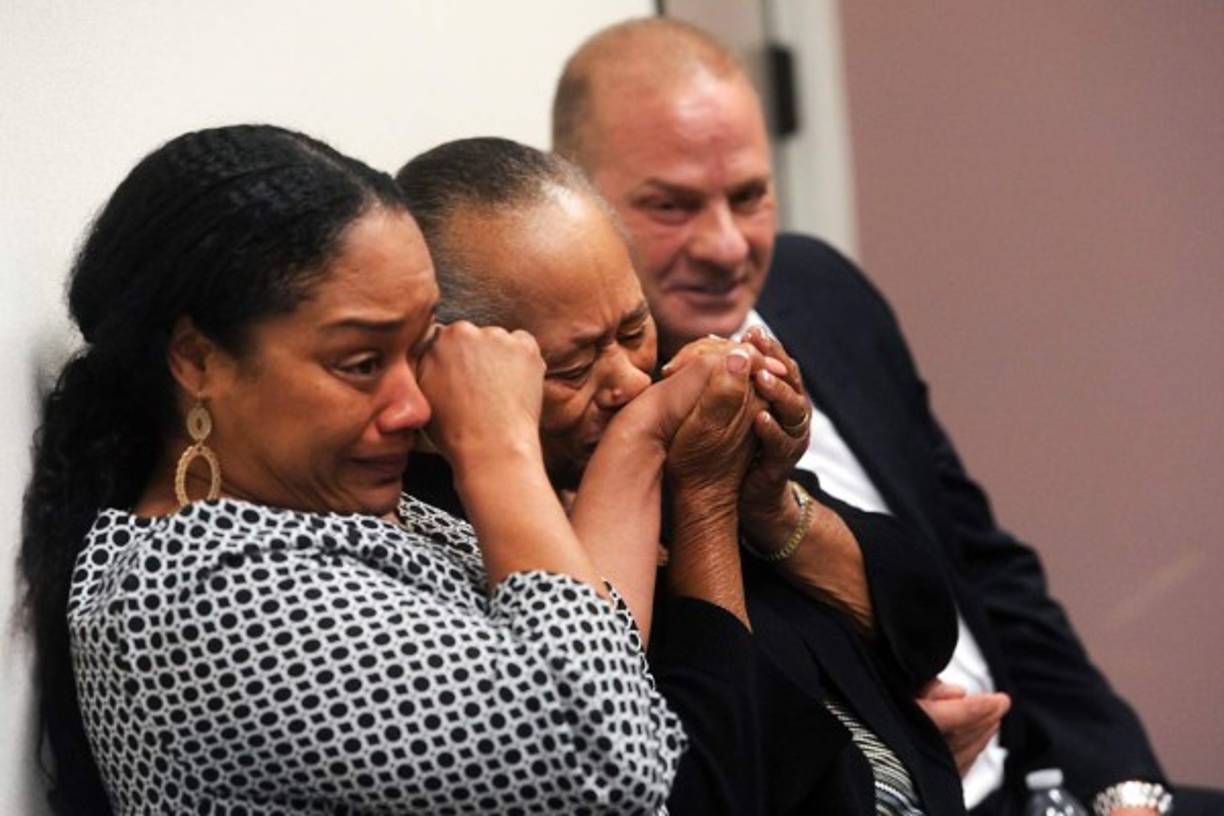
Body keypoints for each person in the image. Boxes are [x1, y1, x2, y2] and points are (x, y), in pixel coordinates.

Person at [552, 16, 1214, 816]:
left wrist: (1123, 784)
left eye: (750, 195)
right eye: (671, 206)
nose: (727, 246)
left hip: (1042, 779)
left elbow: (987, 567)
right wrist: (897, 755)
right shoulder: (590, 422)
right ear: (577, 199)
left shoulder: (822, 291)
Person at [17, 124, 692, 815]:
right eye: (362, 364)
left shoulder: (330, 509)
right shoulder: (195, 593)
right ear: (198, 360)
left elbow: (591, 650)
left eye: (421, 344)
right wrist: (500, 446)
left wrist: (647, 431)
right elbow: (607, 760)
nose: (413, 403)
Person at [396, 136, 967, 815]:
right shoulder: (451, 538)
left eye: (633, 327)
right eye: (574, 369)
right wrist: (703, 504)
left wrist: (769, 503)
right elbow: (711, 782)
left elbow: (925, 624)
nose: (628, 378)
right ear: (457, 369)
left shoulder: (667, 407)